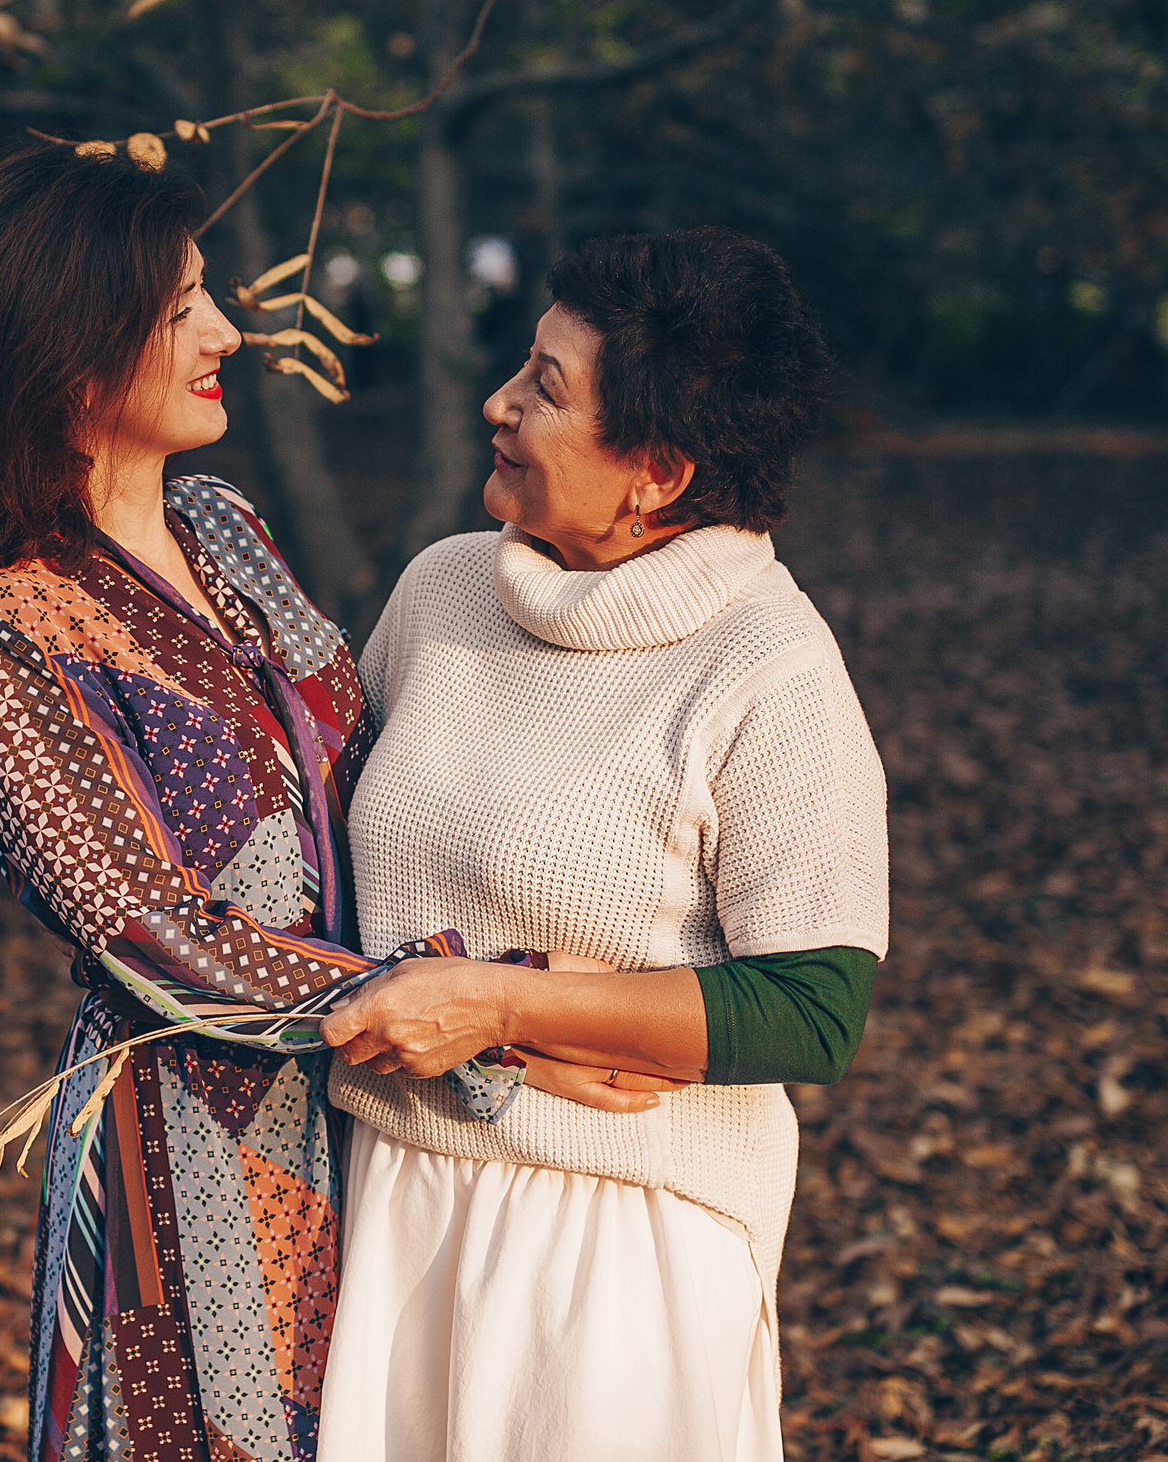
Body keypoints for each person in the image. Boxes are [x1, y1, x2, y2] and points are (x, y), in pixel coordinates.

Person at [0, 142, 565, 1462]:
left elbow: (363, 764)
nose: (227, 332)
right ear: (66, 356)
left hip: (384, 1097)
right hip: (198, 1127)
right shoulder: (6, 619)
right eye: (181, 307)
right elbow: (156, 936)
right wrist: (467, 1008)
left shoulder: (222, 522)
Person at [315, 228, 891, 1462]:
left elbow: (813, 1010)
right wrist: (497, 1027)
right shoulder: (442, 592)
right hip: (392, 1190)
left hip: (613, 1246)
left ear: (654, 473)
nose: (498, 403)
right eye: (520, 367)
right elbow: (332, 882)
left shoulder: (769, 666)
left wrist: (505, 1005)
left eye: (545, 389)